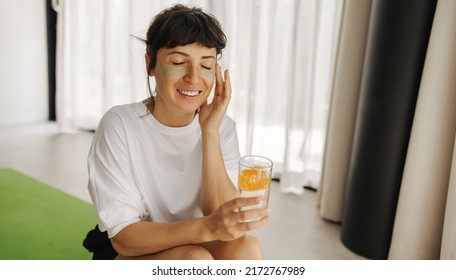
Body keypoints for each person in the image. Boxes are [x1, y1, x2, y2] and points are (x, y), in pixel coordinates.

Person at [82, 4, 270, 260]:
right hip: (130, 249)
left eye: (206, 65)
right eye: (179, 62)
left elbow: (223, 219)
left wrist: (209, 132)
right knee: (195, 260)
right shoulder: (119, 125)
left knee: (248, 248)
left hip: (195, 238)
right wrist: (208, 227)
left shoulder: (222, 128)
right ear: (151, 64)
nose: (194, 78)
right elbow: (125, 239)